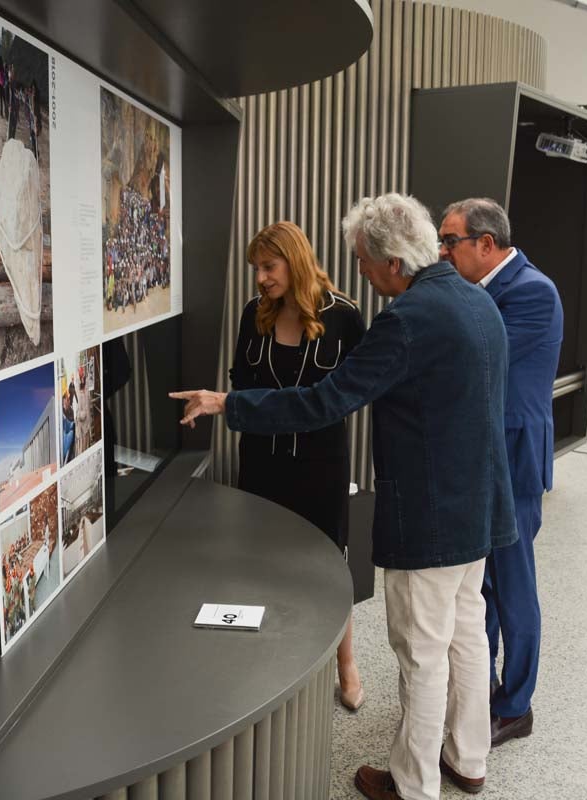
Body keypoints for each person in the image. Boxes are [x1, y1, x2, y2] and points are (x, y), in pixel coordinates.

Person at [172, 193, 517, 800]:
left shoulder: (405, 321)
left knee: (422, 652)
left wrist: (228, 403)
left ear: (392, 262)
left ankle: (413, 784)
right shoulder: (478, 300)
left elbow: (323, 401)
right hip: (483, 506)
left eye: (362, 258)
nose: (357, 270)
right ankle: (468, 759)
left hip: (434, 519)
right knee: (467, 634)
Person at [438, 198, 563, 749]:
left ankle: (516, 705)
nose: (442, 252)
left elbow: (480, 363)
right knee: (481, 586)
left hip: (513, 455)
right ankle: (479, 687)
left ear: (485, 244)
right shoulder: (481, 290)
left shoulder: (533, 291)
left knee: (513, 586)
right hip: (483, 454)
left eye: (450, 241)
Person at [227, 221, 368, 711]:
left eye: (269, 266)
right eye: (256, 269)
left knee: (331, 561)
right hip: (262, 461)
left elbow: (357, 391)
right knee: (265, 561)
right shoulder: (254, 315)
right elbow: (240, 385)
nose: (261, 278)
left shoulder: (345, 316)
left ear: (295, 260)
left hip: (320, 463)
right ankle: (272, 662)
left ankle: (346, 664)